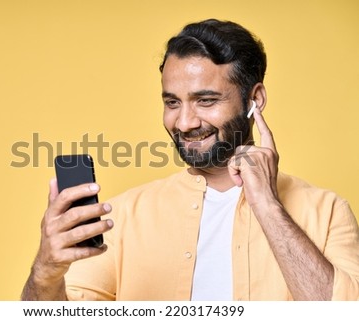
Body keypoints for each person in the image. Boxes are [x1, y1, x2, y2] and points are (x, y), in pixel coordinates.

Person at [21, 19, 359, 301]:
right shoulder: (120, 218)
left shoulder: (327, 213)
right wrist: (46, 272)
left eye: (205, 100)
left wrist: (268, 206)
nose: (184, 123)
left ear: (254, 100)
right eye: (172, 102)